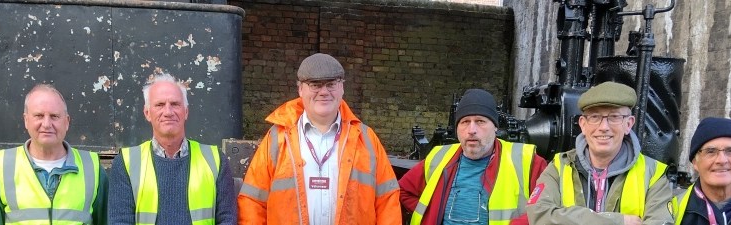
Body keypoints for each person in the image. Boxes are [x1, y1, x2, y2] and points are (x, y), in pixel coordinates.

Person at [238, 53, 401, 224]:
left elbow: (387, 201)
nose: (324, 92)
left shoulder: (366, 139)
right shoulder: (277, 138)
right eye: (315, 85)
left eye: (331, 84)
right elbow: (252, 201)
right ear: (300, 89)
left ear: (342, 88)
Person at [526, 81, 673, 225]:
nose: (604, 127)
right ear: (583, 124)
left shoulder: (654, 175)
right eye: (595, 117)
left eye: (614, 117)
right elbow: (539, 215)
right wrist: (616, 221)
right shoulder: (559, 167)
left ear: (628, 124)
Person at [398, 88, 548, 225]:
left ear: (495, 127)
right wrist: (431, 214)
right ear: (457, 129)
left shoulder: (527, 161)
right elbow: (403, 191)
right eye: (464, 122)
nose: (471, 130)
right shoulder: (439, 157)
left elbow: (546, 207)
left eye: (480, 121)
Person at [109, 74, 237, 224]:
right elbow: (120, 221)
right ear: (147, 113)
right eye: (159, 104)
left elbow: (227, 219)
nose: (168, 112)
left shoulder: (215, 160)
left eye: (175, 104)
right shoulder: (126, 163)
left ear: (186, 112)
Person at [0, 84, 108, 225]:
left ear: (67, 122)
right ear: (26, 120)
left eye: (54, 116)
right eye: (39, 115)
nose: (46, 124)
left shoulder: (91, 167)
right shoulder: (3, 167)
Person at [671, 117, 731, 225]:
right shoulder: (671, 211)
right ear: (695, 162)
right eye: (711, 151)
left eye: (730, 151)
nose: (722, 160)